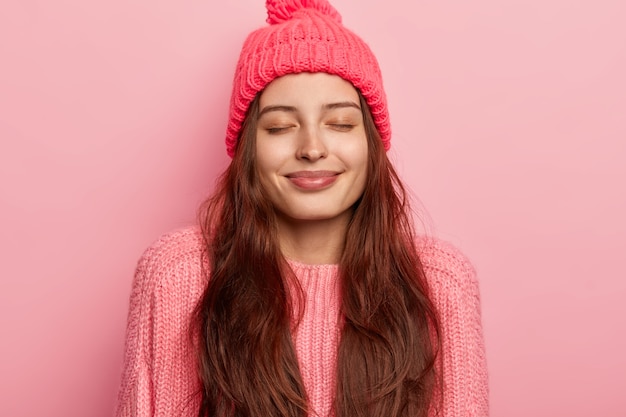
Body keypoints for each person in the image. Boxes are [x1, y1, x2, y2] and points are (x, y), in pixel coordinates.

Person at [115, 0, 489, 416]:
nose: (312, 149)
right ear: (247, 149)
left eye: (340, 124)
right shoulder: (178, 277)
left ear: (371, 143)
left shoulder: (440, 284)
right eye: (279, 126)